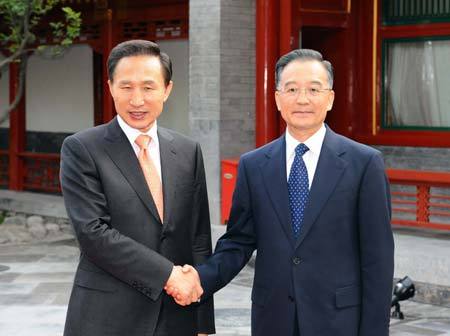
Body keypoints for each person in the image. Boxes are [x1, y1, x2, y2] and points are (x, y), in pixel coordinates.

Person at [167, 49, 394, 336]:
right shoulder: (254, 165)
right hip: (273, 319)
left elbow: (378, 260)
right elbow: (238, 242)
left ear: (330, 98)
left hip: (338, 322)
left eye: (313, 89)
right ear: (277, 98)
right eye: (291, 89)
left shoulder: (364, 163)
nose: (302, 99)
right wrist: (200, 278)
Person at [60, 39, 215, 336]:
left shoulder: (186, 150)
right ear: (110, 87)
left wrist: (202, 320)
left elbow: (198, 238)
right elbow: (93, 233)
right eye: (126, 87)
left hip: (177, 315)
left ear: (167, 89)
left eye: (148, 87)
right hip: (107, 316)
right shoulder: (82, 148)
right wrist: (168, 274)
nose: (137, 100)